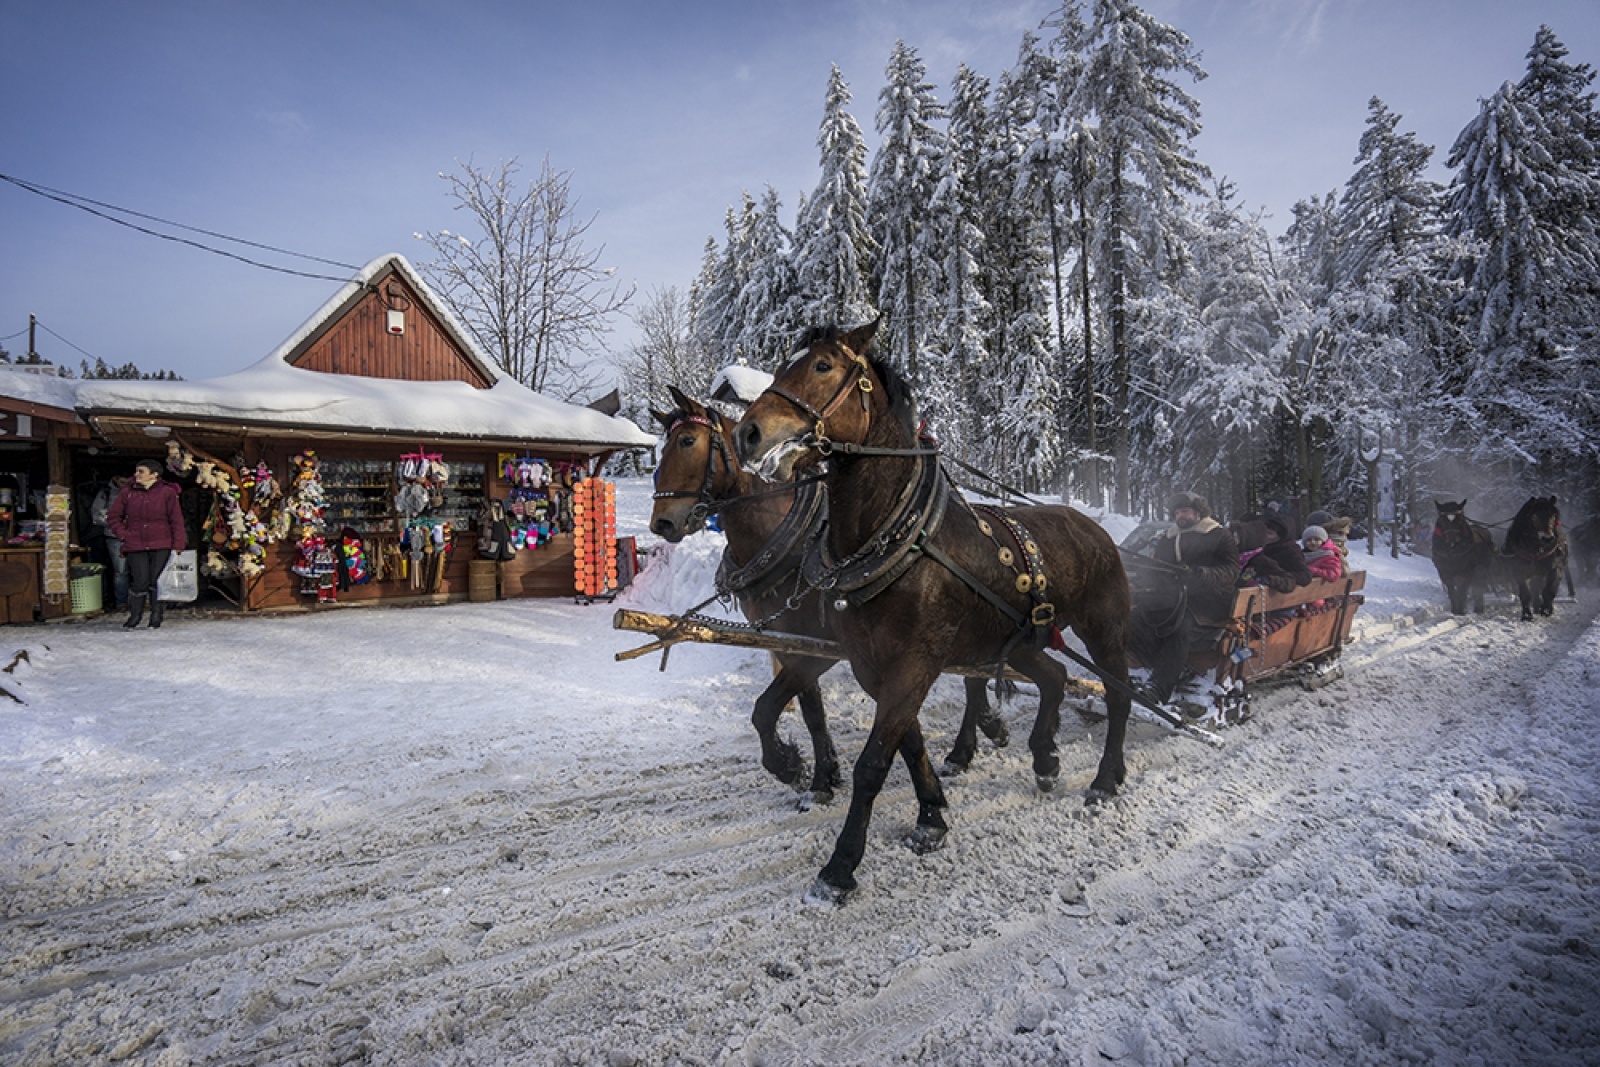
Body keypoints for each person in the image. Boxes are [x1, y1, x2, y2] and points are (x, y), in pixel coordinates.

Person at [1130, 491, 1240, 703]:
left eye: (1186, 511)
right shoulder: (1169, 537)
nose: (1181, 516)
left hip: (1209, 601)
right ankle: (1145, 672)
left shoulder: (1219, 535)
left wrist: (1201, 573)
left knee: (1180, 629)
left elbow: (1231, 571)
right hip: (1173, 597)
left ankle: (1159, 689)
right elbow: (1158, 568)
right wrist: (1142, 579)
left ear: (1198, 512)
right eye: (1178, 513)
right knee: (1136, 618)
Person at [106, 460, 186, 629]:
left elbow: (176, 520)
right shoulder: (127, 492)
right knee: (139, 581)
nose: (137, 474)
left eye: (141, 471)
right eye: (137, 471)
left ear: (154, 474)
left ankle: (156, 616)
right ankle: (135, 616)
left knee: (158, 581)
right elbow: (113, 516)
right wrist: (123, 535)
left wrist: (178, 544)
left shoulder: (167, 492)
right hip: (135, 543)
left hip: (161, 543)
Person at [90, 474, 131, 608]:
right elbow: (96, 516)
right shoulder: (106, 494)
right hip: (114, 536)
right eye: (122, 481)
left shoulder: (138, 491)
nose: (124, 483)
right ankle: (122, 602)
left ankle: (144, 600)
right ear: (115, 479)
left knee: (141, 569)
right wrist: (116, 523)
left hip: (137, 535)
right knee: (121, 571)